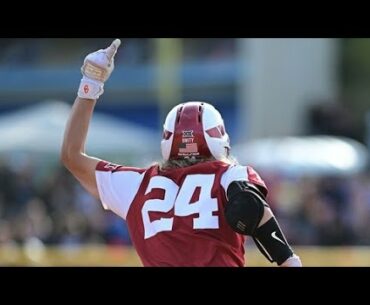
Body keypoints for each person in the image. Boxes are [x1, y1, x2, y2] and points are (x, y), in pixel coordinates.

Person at [61, 39, 302, 267]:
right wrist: (287, 258)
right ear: (218, 139)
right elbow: (250, 207)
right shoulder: (231, 175)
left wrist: (90, 84)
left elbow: (72, 156)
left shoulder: (137, 185)